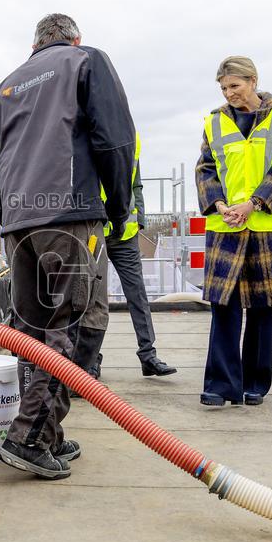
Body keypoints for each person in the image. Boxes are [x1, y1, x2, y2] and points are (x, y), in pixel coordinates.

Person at [0, 13, 135, 479]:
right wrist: (119, 209)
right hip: (70, 215)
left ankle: (48, 435)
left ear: (35, 45)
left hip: (19, 225)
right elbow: (114, 142)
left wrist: (11, 219)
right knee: (78, 322)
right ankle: (28, 437)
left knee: (32, 329)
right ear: (74, 38)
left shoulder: (4, 87)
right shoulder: (86, 61)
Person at [195, 56, 272, 406]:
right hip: (226, 225)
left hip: (266, 225)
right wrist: (219, 205)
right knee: (223, 306)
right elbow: (206, 169)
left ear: (253, 81)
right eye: (224, 88)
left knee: (260, 307)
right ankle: (220, 385)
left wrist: (253, 204)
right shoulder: (214, 122)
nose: (229, 94)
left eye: (235, 86)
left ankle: (255, 382)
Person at [91, 133, 176, 379]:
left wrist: (140, 220)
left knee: (137, 295)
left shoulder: (132, 137)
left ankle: (148, 356)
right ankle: (91, 359)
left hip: (126, 234)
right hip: (95, 232)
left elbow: (135, 183)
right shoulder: (84, 130)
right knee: (94, 300)